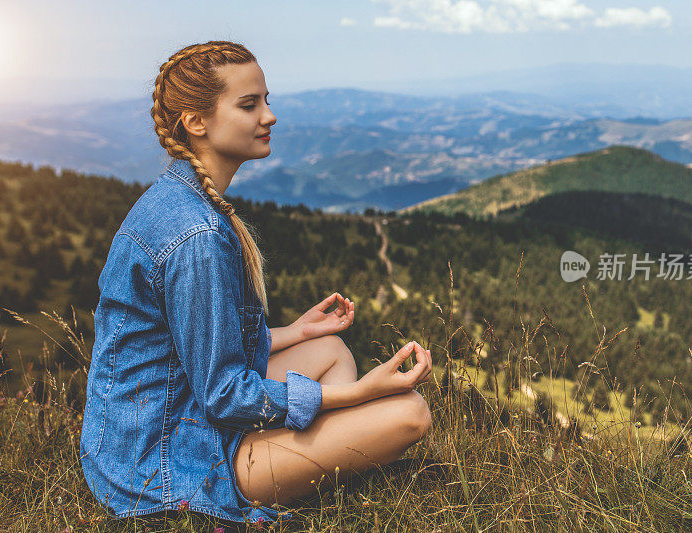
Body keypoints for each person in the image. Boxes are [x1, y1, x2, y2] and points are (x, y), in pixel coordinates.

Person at [79, 40, 433, 527]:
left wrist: (296, 332)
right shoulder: (196, 236)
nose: (268, 116)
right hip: (162, 469)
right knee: (410, 413)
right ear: (196, 122)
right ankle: (310, 467)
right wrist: (359, 395)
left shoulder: (180, 199)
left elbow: (197, 351)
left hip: (149, 431)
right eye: (249, 104)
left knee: (330, 349)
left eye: (267, 100)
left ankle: (313, 459)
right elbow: (223, 393)